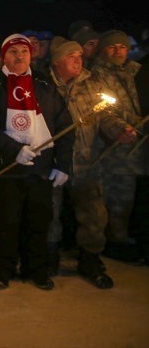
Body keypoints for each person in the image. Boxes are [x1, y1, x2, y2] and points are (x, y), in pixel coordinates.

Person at [0, 34, 73, 290]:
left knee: (39, 222)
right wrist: (13, 149)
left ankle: (36, 270)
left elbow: (64, 126)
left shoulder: (44, 85)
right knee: (6, 223)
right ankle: (3, 271)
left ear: (32, 55)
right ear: (3, 57)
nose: (19, 57)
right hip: (7, 170)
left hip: (40, 171)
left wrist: (63, 164)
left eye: (24, 52)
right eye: (13, 52)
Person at [46, 37, 131, 288]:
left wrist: (120, 129)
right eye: (72, 56)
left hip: (86, 162)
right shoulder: (44, 85)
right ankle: (49, 257)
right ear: (57, 61)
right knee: (50, 213)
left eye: (80, 56)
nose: (78, 60)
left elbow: (106, 116)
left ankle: (90, 259)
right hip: (53, 163)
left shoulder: (91, 84)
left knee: (94, 214)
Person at [90, 30, 144, 262]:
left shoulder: (135, 72)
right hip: (112, 150)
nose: (118, 51)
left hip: (136, 148)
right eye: (113, 47)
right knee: (113, 197)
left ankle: (123, 238)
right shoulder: (97, 74)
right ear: (103, 50)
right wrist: (123, 126)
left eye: (122, 46)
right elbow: (103, 109)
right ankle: (112, 242)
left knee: (129, 197)